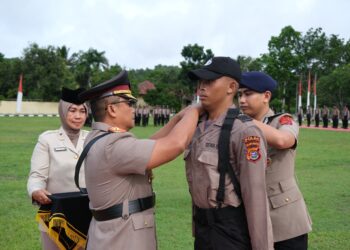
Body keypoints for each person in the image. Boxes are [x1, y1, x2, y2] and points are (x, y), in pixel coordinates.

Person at [78, 70, 201, 250]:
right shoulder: (114, 144)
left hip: (112, 235)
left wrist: (178, 118)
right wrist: (195, 109)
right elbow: (176, 144)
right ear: (112, 109)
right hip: (122, 239)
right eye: (129, 103)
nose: (133, 108)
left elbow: (149, 144)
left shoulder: (99, 137)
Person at [185, 57, 273, 250]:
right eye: (200, 82)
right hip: (203, 229)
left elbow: (256, 197)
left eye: (209, 81)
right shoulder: (197, 126)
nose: (201, 87)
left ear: (231, 87)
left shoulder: (244, 131)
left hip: (229, 231)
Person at [238, 71, 312, 250]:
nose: (241, 100)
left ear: (266, 96)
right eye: (239, 94)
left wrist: (245, 121)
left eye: (248, 94)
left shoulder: (283, 120)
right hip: (249, 217)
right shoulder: (238, 126)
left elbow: (283, 140)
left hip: (285, 218)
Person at [27, 87, 89, 250]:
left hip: (89, 219)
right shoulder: (47, 139)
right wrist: (35, 190)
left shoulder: (93, 138)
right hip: (56, 220)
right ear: (62, 111)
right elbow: (36, 175)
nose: (78, 116)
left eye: (82, 111)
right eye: (72, 110)